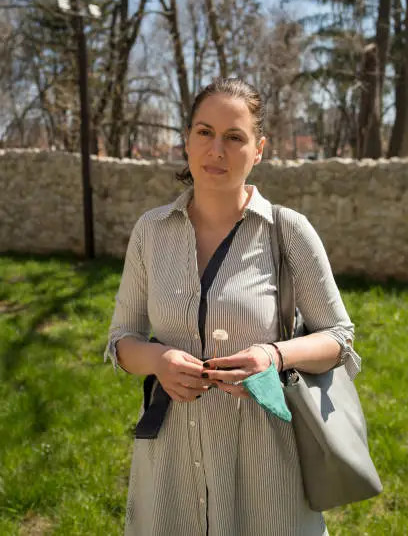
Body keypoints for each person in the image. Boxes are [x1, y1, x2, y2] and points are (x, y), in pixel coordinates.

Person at [104, 77, 361, 536]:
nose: (216, 150)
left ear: (258, 150)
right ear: (186, 141)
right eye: (204, 132)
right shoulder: (151, 232)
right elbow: (120, 341)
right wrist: (158, 360)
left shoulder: (288, 231)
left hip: (265, 461)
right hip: (171, 460)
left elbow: (339, 338)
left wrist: (274, 356)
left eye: (234, 137)